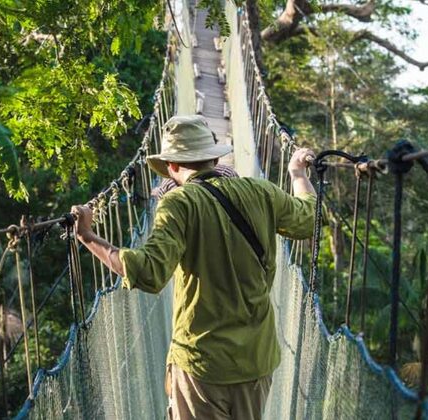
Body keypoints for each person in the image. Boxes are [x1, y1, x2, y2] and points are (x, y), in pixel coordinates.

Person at [71, 115, 316, 420]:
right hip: (256, 360)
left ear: (171, 166)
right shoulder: (262, 192)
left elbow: (148, 273)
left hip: (202, 365)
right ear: (214, 157)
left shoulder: (178, 204)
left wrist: (87, 236)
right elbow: (307, 220)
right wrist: (297, 175)